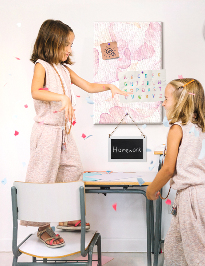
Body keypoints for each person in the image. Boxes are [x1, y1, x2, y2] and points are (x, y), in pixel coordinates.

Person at [22, 19, 130, 248]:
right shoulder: (41, 65)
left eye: (71, 44)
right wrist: (61, 97)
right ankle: (43, 227)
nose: (70, 49)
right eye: (67, 44)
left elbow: (89, 86)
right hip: (46, 132)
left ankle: (63, 214)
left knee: (73, 168)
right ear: (53, 42)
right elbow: (35, 91)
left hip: (63, 132)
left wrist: (108, 86)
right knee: (43, 178)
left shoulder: (64, 69)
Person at [146, 79, 205, 265]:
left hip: (192, 196)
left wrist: (151, 190)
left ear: (181, 101)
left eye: (166, 98)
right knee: (174, 248)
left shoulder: (177, 129)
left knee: (201, 255)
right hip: (195, 195)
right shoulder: (196, 127)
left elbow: (168, 169)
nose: (163, 103)